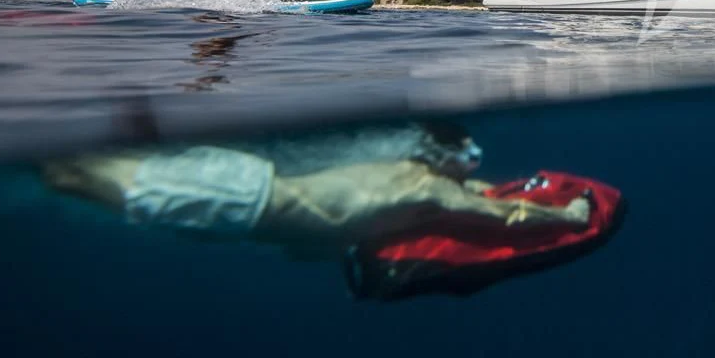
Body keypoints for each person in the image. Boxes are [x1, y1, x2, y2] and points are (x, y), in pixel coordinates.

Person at [39, 122, 591, 256]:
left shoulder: (412, 171)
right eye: (468, 157)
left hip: (245, 181)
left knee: (82, 169)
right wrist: (567, 217)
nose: (475, 165)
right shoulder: (436, 192)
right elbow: (504, 215)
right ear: (446, 159)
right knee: (71, 174)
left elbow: (481, 193)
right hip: (245, 199)